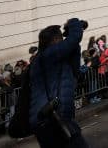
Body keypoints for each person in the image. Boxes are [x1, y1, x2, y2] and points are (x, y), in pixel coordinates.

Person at [28, 18, 88, 148]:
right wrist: (73, 23)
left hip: (54, 118)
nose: (63, 41)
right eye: (60, 38)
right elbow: (75, 38)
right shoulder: (48, 55)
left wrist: (73, 42)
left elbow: (74, 68)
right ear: (54, 40)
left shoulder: (52, 58)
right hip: (50, 119)